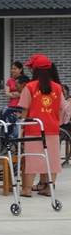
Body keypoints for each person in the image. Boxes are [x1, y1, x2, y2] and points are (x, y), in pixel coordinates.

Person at [18, 54, 68, 197]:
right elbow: (61, 109)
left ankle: (27, 189)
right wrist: (55, 123)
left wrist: (22, 126)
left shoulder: (30, 87)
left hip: (33, 128)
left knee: (32, 158)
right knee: (52, 159)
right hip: (52, 129)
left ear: (35, 70)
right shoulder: (57, 87)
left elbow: (25, 110)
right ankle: (49, 188)